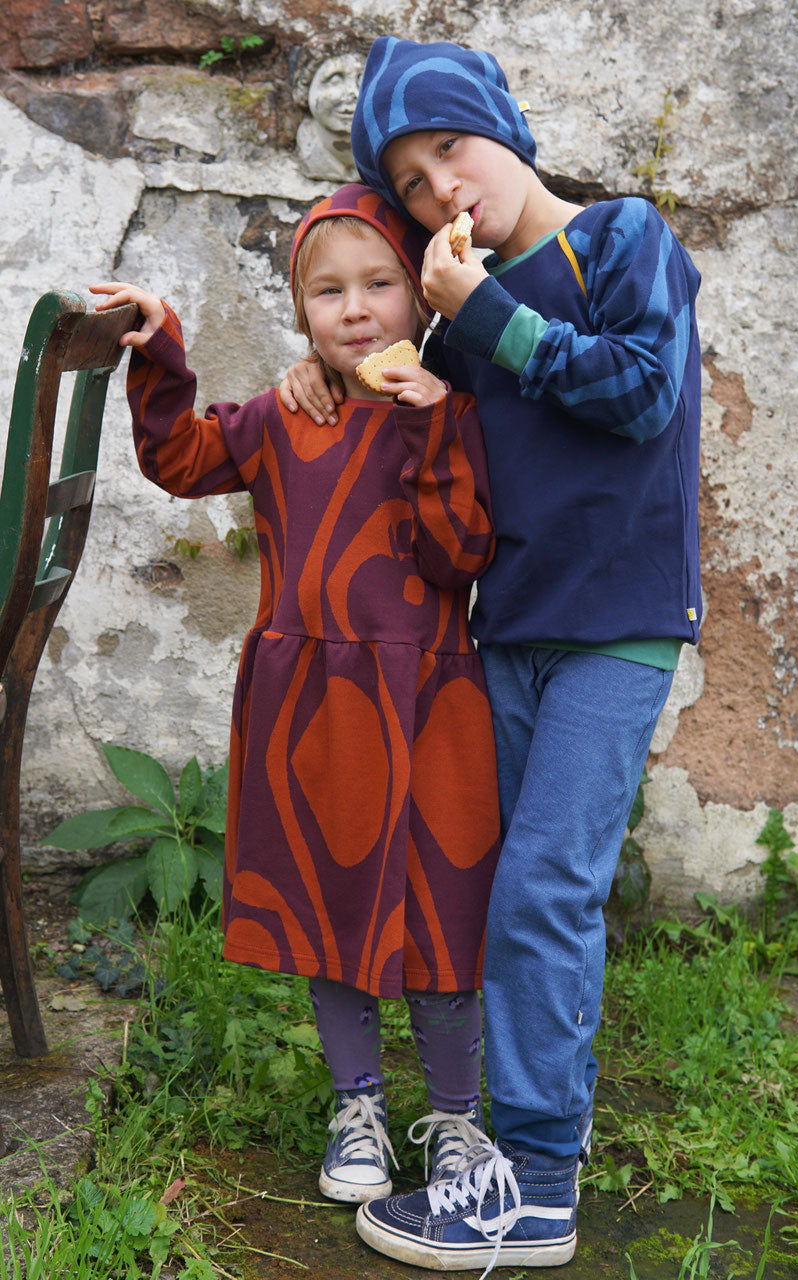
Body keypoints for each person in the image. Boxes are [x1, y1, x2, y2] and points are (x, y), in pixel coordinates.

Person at [278, 36, 703, 1276]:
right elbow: (396, 389)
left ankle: (537, 1187)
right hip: (504, 630)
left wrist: (482, 313)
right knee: (502, 892)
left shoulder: (624, 239)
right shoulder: (462, 312)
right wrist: (330, 366)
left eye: (450, 150)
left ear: (506, 130)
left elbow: (638, 396)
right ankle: (514, 1145)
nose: (438, 192)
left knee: (544, 892)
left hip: (616, 628)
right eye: (407, 181)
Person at [90, 181, 501, 1207]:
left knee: (442, 917)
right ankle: (355, 1100)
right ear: (300, 312)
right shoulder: (282, 415)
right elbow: (180, 458)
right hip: (313, 709)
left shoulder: (453, 412)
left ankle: (457, 1116)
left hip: (428, 703)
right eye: (327, 292)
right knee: (334, 907)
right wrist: (162, 347)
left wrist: (434, 428)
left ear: (423, 297)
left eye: (380, 284)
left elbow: (464, 552)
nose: (356, 308)